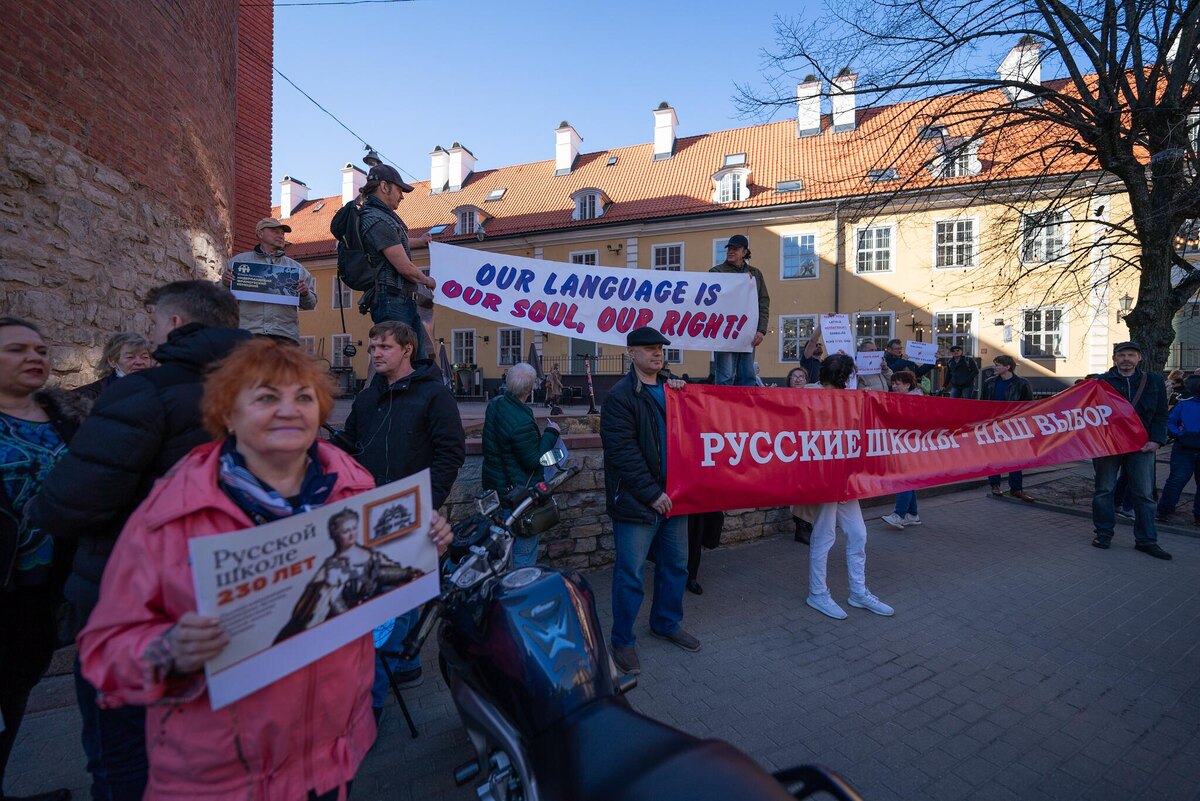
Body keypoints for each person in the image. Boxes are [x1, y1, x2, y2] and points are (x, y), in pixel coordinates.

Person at [76, 339, 453, 800]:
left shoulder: (355, 491)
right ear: (228, 414)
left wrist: (422, 548)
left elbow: (377, 595)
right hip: (221, 773)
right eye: (266, 397)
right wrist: (167, 650)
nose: (289, 410)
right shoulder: (174, 510)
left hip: (329, 757)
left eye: (303, 397)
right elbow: (104, 649)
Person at [29, 280, 249, 801]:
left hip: (132, 597)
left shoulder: (145, 390)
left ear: (174, 324)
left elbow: (69, 502)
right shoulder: (272, 387)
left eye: (154, 325)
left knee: (121, 753)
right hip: (232, 590)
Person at [337, 320, 464, 713]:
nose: (374, 353)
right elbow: (349, 443)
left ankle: (398, 666)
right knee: (380, 598)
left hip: (414, 511)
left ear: (407, 349)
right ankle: (399, 665)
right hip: (368, 511)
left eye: (383, 347)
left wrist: (427, 501)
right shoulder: (366, 397)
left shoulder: (433, 396)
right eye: (371, 346)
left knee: (406, 595)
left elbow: (450, 453)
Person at [0, 318, 86, 801]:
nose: (34, 357)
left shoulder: (67, 416)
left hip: (42, 584)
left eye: (39, 348)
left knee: (17, 686)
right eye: (16, 349)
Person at [600, 327, 699, 675]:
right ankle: (623, 640)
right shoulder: (620, 397)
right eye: (649, 349)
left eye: (660, 349)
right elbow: (622, 453)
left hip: (676, 496)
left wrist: (683, 392)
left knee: (676, 567)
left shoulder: (675, 390)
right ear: (631, 353)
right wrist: (651, 494)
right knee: (630, 573)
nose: (657, 354)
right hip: (638, 502)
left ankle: (666, 623)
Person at [805, 354, 894, 620]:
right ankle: (817, 593)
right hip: (823, 477)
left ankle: (858, 592)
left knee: (858, 534)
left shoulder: (851, 396)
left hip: (844, 477)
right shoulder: (808, 393)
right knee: (824, 536)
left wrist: (866, 402)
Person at [276, 508, 425, 642]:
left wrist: (406, 572)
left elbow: (378, 571)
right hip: (345, 628)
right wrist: (351, 620)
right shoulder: (332, 566)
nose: (351, 534)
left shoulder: (366, 551)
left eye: (354, 528)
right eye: (346, 531)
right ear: (335, 534)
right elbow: (331, 598)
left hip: (373, 615)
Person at [1092, 342, 1171, 559]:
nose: (1126, 359)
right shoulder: (1099, 382)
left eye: (1131, 355)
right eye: (1121, 355)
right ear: (1114, 358)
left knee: (1144, 494)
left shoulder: (1153, 381)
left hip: (1142, 446)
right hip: (1107, 445)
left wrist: (1157, 440)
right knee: (1104, 491)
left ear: (1139, 358)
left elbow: (1161, 414)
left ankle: (1147, 540)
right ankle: (1103, 534)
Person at [482, 362, 561, 567]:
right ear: (531, 388)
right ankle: (519, 595)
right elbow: (535, 460)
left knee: (500, 555)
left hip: (496, 490)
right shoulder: (521, 421)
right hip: (518, 497)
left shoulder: (496, 404)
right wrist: (552, 433)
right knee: (522, 557)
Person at [358, 164, 436, 361]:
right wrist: (427, 281)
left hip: (398, 299)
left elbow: (392, 244)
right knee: (399, 362)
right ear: (384, 187)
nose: (402, 196)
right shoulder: (377, 220)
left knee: (415, 359)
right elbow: (404, 267)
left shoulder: (379, 218)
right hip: (392, 300)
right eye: (400, 190)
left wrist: (420, 242)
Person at [220, 217, 317, 344]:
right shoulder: (239, 262)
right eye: (275, 232)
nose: (281, 236)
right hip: (249, 334)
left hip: (284, 335)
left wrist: (305, 293)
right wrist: (225, 285)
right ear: (260, 233)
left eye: (282, 233)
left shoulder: (295, 268)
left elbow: (311, 304)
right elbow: (221, 300)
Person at [709, 235, 768, 386]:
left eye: (735, 248)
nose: (731, 251)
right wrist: (740, 281)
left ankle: (744, 409)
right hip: (725, 331)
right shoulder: (716, 272)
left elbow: (763, 302)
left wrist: (761, 330)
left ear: (744, 252)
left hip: (748, 332)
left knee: (747, 375)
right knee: (725, 376)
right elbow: (713, 299)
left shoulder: (756, 274)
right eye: (729, 248)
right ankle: (722, 408)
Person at [982, 355, 1035, 502]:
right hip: (994, 425)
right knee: (994, 455)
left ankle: (1016, 489)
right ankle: (995, 485)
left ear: (1007, 367)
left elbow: (1029, 406)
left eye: (998, 365)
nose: (995, 367)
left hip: (1014, 426)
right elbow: (982, 404)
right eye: (995, 364)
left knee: (1015, 457)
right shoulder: (989, 383)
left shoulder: (1022, 383)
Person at [880, 371, 925, 529]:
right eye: (893, 383)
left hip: (909, 444)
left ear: (907, 385)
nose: (894, 386)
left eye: (898, 383)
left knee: (903, 478)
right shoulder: (899, 399)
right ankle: (912, 514)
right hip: (902, 443)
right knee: (908, 478)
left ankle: (899, 514)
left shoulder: (914, 401)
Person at [1156, 375, 1200, 526]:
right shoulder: (1184, 405)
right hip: (1184, 450)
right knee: (1176, 481)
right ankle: (1164, 511)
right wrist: (1180, 434)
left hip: (1186, 448)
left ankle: (1198, 516)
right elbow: (1169, 421)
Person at [73, 332, 153, 401]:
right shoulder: (84, 398)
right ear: (112, 361)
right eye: (130, 357)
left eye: (145, 357)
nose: (139, 362)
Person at [783, 367, 813, 544]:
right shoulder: (782, 396)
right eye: (794, 376)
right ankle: (801, 525)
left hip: (808, 446)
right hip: (789, 447)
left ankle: (805, 524)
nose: (798, 379)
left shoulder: (813, 394)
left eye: (802, 376)